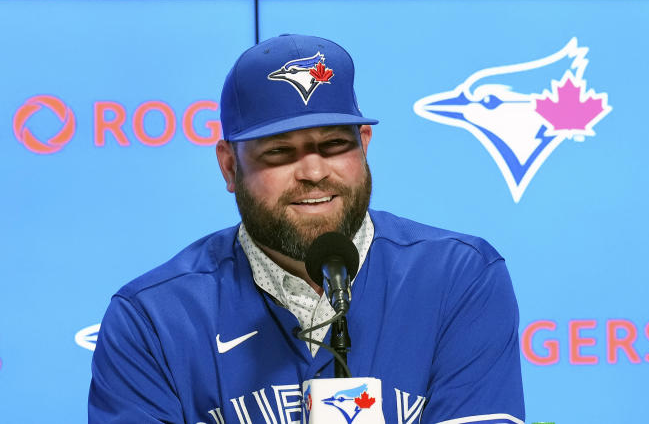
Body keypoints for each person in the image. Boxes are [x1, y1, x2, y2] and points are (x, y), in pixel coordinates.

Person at [88, 34, 525, 424]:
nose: (314, 171)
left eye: (334, 145)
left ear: (364, 146)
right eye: (280, 152)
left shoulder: (457, 278)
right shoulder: (153, 318)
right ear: (228, 166)